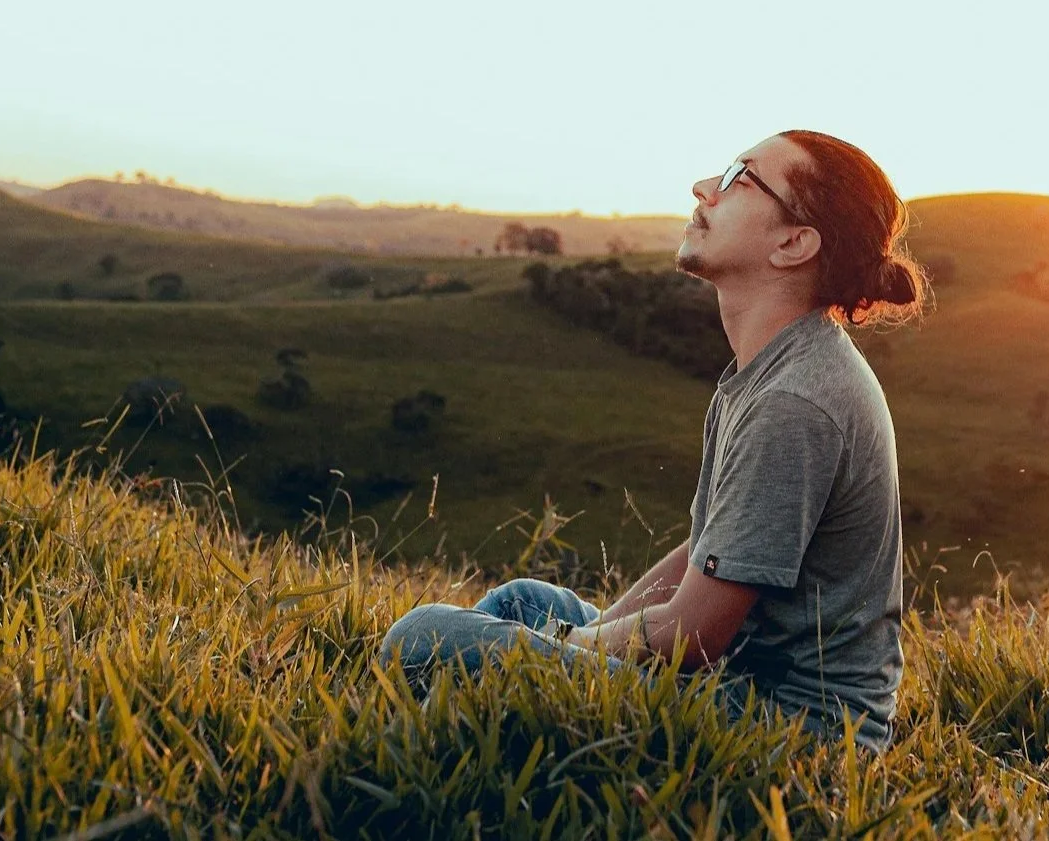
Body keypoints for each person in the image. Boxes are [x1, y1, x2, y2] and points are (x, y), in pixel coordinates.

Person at [378, 129, 926, 752]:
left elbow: (691, 638)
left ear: (793, 244)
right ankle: (480, 726)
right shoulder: (781, 368)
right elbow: (708, 551)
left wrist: (574, 648)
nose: (703, 188)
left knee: (421, 637)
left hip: (793, 732)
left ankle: (471, 733)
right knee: (526, 601)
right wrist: (589, 640)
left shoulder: (793, 401)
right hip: (740, 688)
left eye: (738, 178)